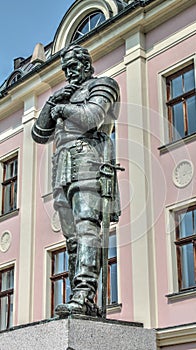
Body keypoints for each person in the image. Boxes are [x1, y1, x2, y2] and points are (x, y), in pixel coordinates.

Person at [31, 44, 121, 316]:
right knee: (71, 239)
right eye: (65, 68)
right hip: (62, 167)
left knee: (86, 229)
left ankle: (84, 294)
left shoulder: (103, 84)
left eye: (73, 65)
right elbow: (38, 133)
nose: (69, 72)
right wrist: (52, 102)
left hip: (88, 159)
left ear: (86, 64)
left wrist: (63, 109)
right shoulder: (65, 96)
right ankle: (78, 297)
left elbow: (93, 118)